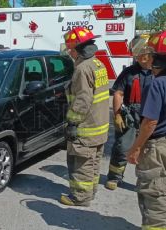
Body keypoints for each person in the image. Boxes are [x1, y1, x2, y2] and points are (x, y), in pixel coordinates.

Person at [60, 27, 110, 206]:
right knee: (94, 161)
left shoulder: (82, 68)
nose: (70, 53)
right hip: (100, 125)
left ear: (78, 49)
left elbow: (82, 100)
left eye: (70, 49)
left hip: (87, 127)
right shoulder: (98, 64)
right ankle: (91, 192)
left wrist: (72, 122)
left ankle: (80, 197)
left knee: (82, 163)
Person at [127, 31, 166, 230]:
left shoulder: (157, 84)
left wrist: (135, 148)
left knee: (155, 195)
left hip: (158, 147)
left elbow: (150, 122)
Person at [105, 35, 154, 190]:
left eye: (142, 54)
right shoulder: (129, 73)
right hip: (131, 116)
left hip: (152, 117)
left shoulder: (159, 73)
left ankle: (147, 182)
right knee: (122, 146)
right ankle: (114, 177)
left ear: (150, 52)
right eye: (137, 55)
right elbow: (118, 93)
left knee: (150, 151)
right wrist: (117, 114)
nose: (139, 58)